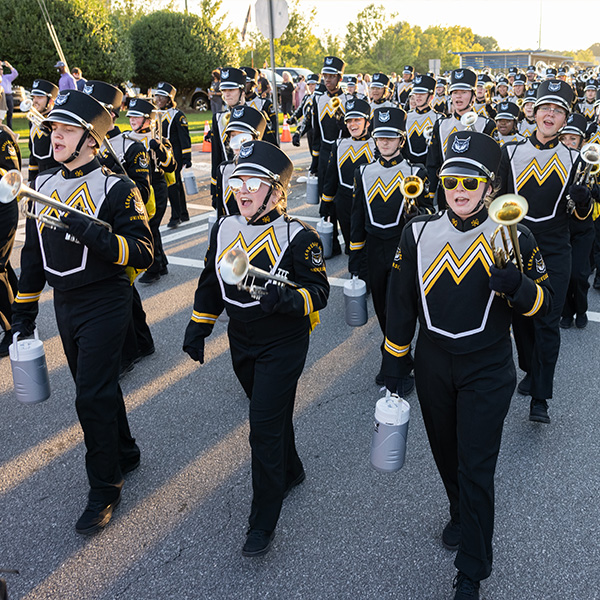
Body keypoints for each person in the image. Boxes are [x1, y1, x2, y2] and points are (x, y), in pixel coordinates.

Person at [382, 130, 552, 600]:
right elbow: (401, 306)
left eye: (471, 182)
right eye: (451, 180)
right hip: (434, 364)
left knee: (476, 466)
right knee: (445, 453)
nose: (459, 190)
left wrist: (518, 286)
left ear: (490, 187)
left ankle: (471, 570)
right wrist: (394, 365)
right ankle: (458, 510)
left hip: (487, 368)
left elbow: (544, 305)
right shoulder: (417, 232)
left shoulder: (514, 234)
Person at [11, 90, 153, 534]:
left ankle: (105, 487)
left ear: (91, 140)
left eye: (67, 129)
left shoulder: (117, 187)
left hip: (106, 302)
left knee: (89, 397)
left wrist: (97, 235)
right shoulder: (45, 184)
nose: (56, 135)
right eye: (54, 127)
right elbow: (33, 257)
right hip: (65, 305)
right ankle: (125, 450)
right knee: (99, 388)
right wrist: (23, 317)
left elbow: (144, 252)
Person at [183, 140, 329, 557]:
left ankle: (262, 521)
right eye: (237, 181)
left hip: (283, 343)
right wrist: (198, 327)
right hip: (240, 339)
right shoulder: (224, 227)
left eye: (254, 182)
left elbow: (318, 293)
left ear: (277, 191)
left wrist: (285, 300)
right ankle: (293, 468)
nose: (242, 190)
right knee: (272, 413)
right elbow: (211, 282)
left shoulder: (301, 236)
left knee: (262, 427)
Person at [497, 79, 590, 423]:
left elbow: (580, 222)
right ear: (533, 113)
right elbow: (498, 203)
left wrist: (583, 203)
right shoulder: (509, 151)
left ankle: (541, 398)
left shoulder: (576, 158)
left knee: (547, 322)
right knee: (521, 319)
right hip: (518, 247)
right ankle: (530, 370)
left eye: (558, 110)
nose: (550, 114)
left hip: (554, 249)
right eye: (545, 108)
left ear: (565, 119)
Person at [350, 106, 432, 391]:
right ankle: (396, 357)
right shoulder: (363, 171)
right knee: (383, 310)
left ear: (402, 139)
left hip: (403, 249)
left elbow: (430, 212)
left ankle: (397, 364)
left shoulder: (416, 171)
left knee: (402, 308)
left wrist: (417, 212)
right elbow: (357, 216)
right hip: (374, 249)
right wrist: (355, 258)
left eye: (391, 137)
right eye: (380, 137)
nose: (385, 143)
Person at [427, 68, 497, 209]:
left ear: (472, 95)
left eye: (463, 92)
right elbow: (433, 161)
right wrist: (431, 193)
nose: (458, 97)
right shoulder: (441, 124)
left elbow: (493, 166)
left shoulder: (487, 124)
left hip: (474, 190)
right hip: (446, 190)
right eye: (455, 92)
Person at [126, 97, 177, 285]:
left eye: (137, 117)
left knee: (150, 227)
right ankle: (161, 263)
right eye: (131, 116)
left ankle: (153, 268)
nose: (132, 120)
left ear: (149, 119)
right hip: (139, 186)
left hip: (156, 186)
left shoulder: (159, 139)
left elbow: (171, 166)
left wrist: (161, 149)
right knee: (151, 227)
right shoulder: (127, 139)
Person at [321, 97, 375, 256]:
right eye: (349, 121)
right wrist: (326, 202)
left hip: (367, 203)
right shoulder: (339, 144)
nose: (352, 125)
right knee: (350, 248)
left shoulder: (377, 145)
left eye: (357, 120)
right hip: (344, 203)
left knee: (366, 252)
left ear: (367, 122)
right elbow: (331, 178)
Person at [558, 113, 597, 329]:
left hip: (582, 228)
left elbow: (597, 193)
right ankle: (566, 312)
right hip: (560, 227)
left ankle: (581, 309)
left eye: (573, 139)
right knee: (563, 274)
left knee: (579, 276)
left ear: (582, 142)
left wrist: (585, 194)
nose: (568, 143)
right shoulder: (555, 159)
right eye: (564, 138)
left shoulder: (589, 162)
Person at [312, 55, 351, 256]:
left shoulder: (349, 100)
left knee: (341, 201)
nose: (327, 80)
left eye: (331, 76)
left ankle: (352, 242)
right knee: (325, 201)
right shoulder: (317, 99)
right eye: (325, 76)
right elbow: (315, 133)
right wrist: (314, 161)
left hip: (342, 155)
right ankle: (332, 243)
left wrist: (342, 122)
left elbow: (353, 132)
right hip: (325, 155)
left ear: (340, 78)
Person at [214, 104, 267, 217]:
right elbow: (221, 213)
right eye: (233, 135)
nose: (237, 141)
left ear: (255, 138)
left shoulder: (267, 170)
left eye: (243, 136)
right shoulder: (224, 170)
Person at [154, 81, 192, 227]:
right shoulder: (156, 114)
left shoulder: (178, 115)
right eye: (157, 96)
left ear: (169, 99)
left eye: (161, 97)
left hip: (173, 156)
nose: (158, 100)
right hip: (160, 155)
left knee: (172, 186)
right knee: (175, 186)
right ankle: (184, 213)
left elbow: (184, 138)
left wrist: (186, 157)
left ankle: (175, 217)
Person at [0, 117, 22, 356]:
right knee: (2, 265)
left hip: (3, 206)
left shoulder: (2, 136)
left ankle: (11, 330)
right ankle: (22, 316)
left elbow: (12, 174)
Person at [403, 74, 442, 166]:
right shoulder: (405, 116)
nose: (418, 97)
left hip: (431, 167)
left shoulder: (439, 118)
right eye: (416, 93)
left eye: (422, 94)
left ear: (431, 96)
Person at [27, 79, 60, 184]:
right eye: (34, 97)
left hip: (57, 178)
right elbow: (33, 155)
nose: (35, 101)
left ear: (51, 100)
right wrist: (31, 180)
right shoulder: (32, 122)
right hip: (39, 178)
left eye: (40, 97)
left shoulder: (58, 123)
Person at [243, 67, 278, 146]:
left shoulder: (265, 103)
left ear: (253, 84)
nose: (243, 86)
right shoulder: (236, 105)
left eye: (246, 82)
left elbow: (273, 131)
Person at [0, 60, 18, 129]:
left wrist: (10, 66)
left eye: (1, 69)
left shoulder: (7, 77)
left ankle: (9, 127)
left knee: (10, 112)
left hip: (8, 96)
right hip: (1, 96)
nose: (1, 71)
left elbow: (15, 74)